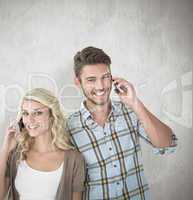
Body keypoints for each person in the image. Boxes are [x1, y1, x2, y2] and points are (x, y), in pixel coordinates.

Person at [67, 46, 177, 200]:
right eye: (91, 80)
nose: (100, 86)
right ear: (78, 82)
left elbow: (167, 144)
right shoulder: (69, 128)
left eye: (105, 77)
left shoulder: (131, 111)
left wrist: (135, 103)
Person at [0, 88, 86, 200]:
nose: (30, 120)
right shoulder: (17, 154)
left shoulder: (74, 159)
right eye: (25, 113)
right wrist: (5, 150)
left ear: (52, 116)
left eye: (38, 113)